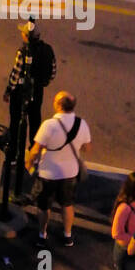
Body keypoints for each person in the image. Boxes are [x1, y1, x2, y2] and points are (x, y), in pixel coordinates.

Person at [27, 91, 91, 248]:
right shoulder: (81, 124)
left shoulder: (49, 125)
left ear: (58, 105)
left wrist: (28, 164)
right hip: (70, 173)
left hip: (48, 173)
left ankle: (42, 234)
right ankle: (68, 235)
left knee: (44, 206)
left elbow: (35, 150)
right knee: (67, 204)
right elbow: (87, 148)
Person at [3, 21, 56, 147]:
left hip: (20, 92)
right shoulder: (48, 50)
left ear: (26, 36)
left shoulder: (23, 52)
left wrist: (8, 91)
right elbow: (52, 73)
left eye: (23, 32)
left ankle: (14, 148)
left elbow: (15, 75)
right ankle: (33, 148)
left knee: (16, 121)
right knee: (35, 120)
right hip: (37, 91)